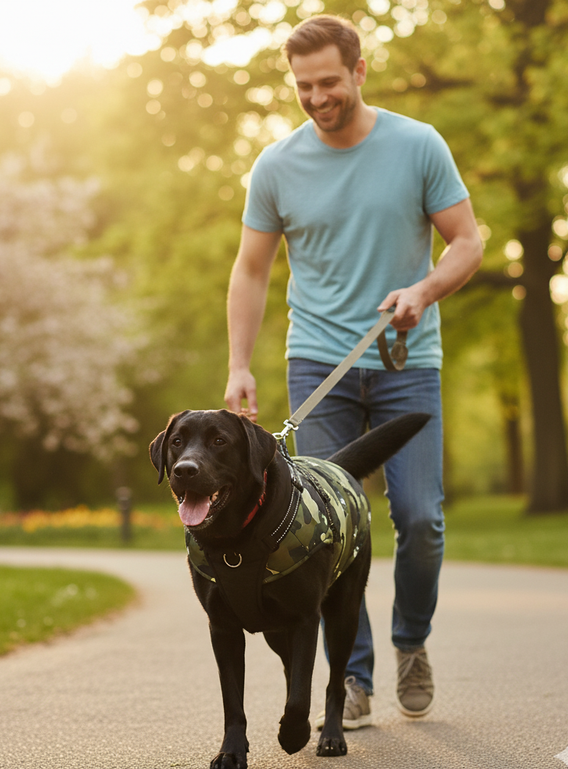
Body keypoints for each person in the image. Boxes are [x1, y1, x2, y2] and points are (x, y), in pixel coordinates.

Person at [224, 14, 482, 728]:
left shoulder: (417, 146)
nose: (316, 97)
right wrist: (239, 366)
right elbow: (250, 271)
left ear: (360, 71)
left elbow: (467, 241)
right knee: (328, 530)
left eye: (329, 82)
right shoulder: (276, 165)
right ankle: (355, 675)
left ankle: (411, 643)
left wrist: (422, 291)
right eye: (303, 86)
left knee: (420, 519)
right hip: (318, 365)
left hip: (406, 360)